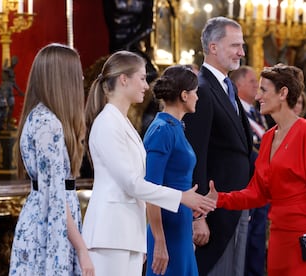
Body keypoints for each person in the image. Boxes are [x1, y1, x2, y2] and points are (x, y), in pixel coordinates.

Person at [82, 50, 216, 276]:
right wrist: (181, 197)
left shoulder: (122, 123)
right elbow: (132, 183)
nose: (147, 85)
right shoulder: (107, 123)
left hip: (127, 234)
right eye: (142, 78)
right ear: (124, 79)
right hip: (110, 234)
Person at [208, 64, 306, 275]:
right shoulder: (269, 136)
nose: (258, 96)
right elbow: (257, 193)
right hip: (279, 235)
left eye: (264, 90)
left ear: (283, 93)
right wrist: (219, 199)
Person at [9, 43, 94, 275]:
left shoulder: (40, 117)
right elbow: (56, 196)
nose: (81, 77)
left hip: (49, 220)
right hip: (50, 226)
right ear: (63, 78)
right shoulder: (48, 124)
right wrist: (82, 250)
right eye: (76, 72)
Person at [183, 16, 253, 275]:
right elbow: (196, 157)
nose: (242, 52)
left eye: (242, 45)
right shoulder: (201, 90)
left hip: (236, 206)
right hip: (214, 215)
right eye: (235, 45)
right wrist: (198, 217)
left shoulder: (227, 88)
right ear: (213, 47)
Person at [143, 65, 199, 276]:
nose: (197, 97)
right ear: (184, 95)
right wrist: (159, 240)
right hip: (166, 229)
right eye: (195, 92)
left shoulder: (174, 127)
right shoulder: (162, 130)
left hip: (181, 225)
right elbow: (151, 190)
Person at [230, 65, 270, 276]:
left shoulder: (257, 112)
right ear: (238, 85)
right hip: (246, 183)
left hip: (262, 183)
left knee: (258, 239)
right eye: (253, 82)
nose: (258, 86)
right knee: (246, 240)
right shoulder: (236, 111)